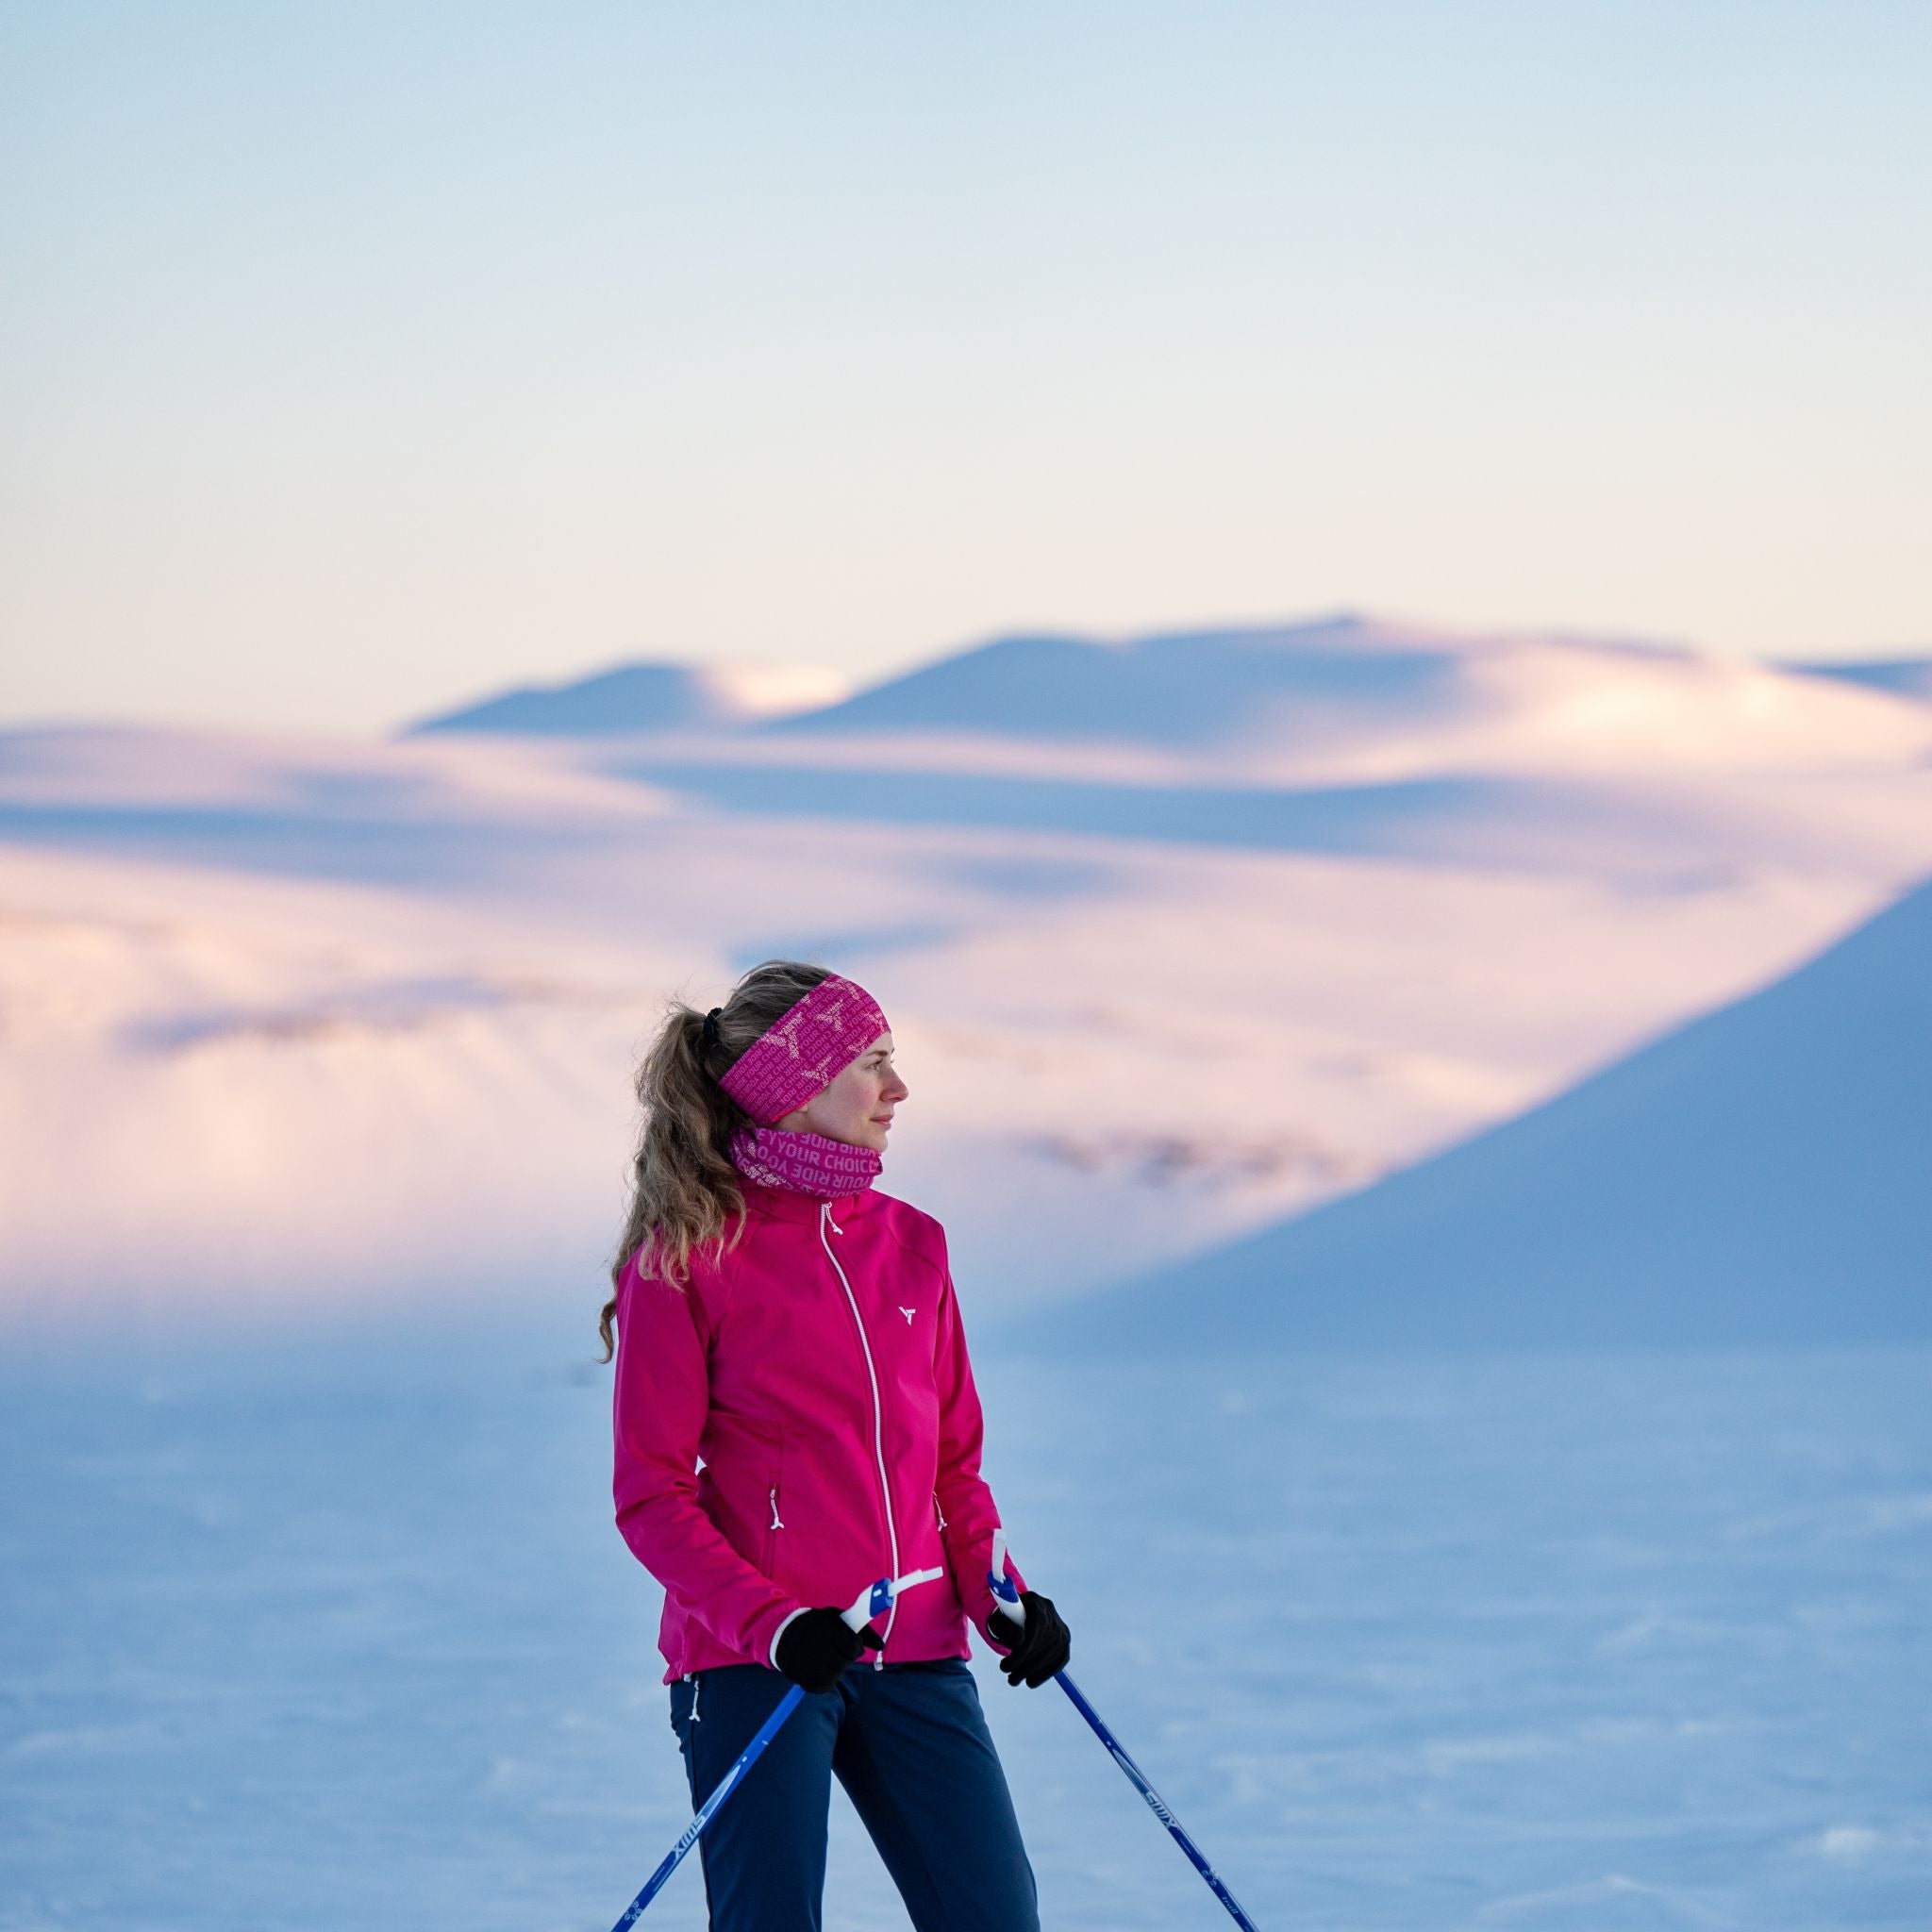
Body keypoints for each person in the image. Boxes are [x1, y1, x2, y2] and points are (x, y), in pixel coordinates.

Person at [599, 959, 1071, 1931]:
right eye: (872, 1062)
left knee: (995, 1916)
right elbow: (651, 1495)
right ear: (794, 1086)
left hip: (917, 1646)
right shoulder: (687, 1255)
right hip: (756, 1659)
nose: (899, 1088)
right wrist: (773, 1624)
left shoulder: (914, 1244)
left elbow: (950, 1467)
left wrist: (1002, 1595)